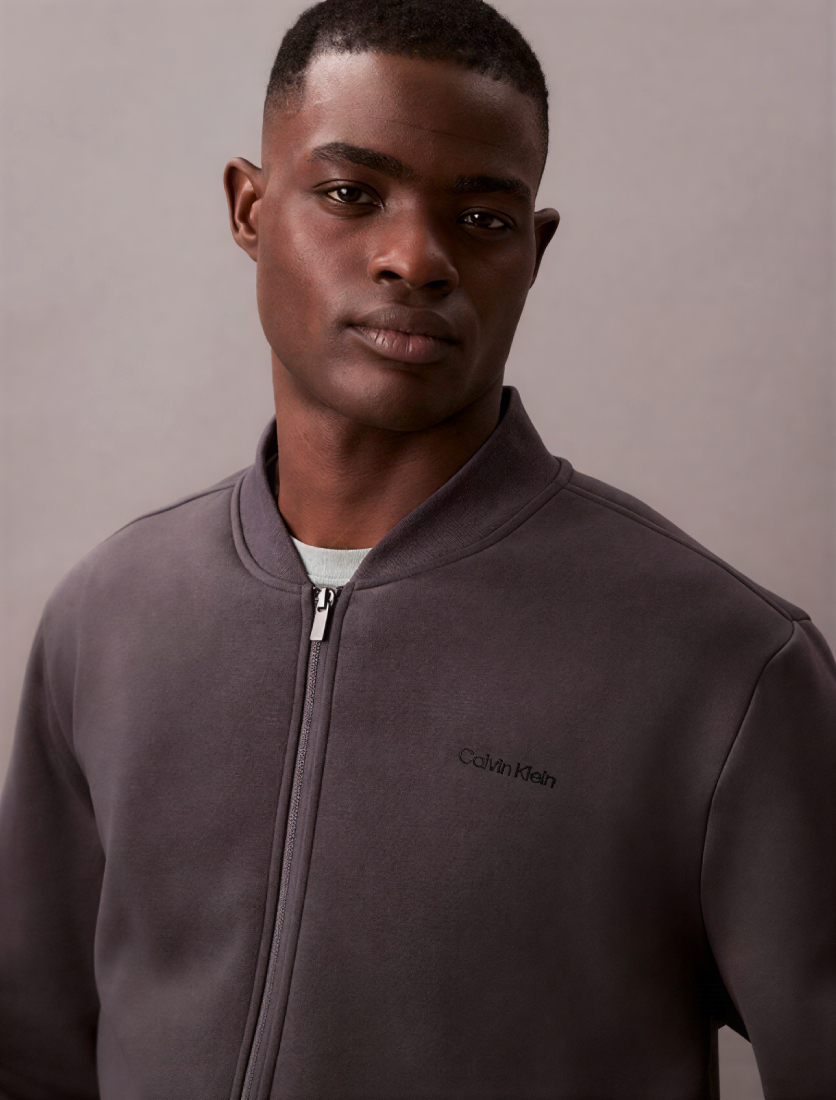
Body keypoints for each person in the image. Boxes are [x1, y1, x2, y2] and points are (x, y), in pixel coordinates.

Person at [1, 0, 834, 1096]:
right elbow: (35, 1053)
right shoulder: (108, 615)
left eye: (481, 218)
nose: (414, 258)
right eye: (352, 194)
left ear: (532, 252)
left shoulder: (728, 667)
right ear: (250, 207)